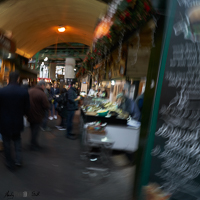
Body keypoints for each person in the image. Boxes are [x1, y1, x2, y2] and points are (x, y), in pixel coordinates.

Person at [0, 71, 30, 169]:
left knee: (7, 142)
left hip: (4, 122)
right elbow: (27, 108)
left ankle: (9, 162)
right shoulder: (23, 92)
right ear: (18, 79)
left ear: (8, 79)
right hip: (17, 120)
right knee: (17, 140)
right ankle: (18, 160)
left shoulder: (2, 91)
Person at [28, 80, 50, 151]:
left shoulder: (30, 91)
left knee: (32, 129)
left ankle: (33, 143)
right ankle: (33, 145)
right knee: (36, 130)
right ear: (42, 85)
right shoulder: (42, 93)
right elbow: (46, 105)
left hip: (30, 114)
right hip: (38, 114)